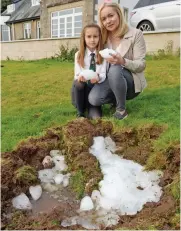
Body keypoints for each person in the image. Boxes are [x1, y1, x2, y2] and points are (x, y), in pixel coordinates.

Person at [88, 3, 147, 120]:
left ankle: (121, 110)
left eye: (111, 16)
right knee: (94, 99)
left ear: (119, 15)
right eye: (104, 19)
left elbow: (141, 65)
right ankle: (114, 100)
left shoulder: (136, 34)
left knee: (115, 67)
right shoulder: (102, 37)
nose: (108, 21)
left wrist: (123, 61)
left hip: (131, 81)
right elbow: (95, 59)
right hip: (109, 78)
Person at [72, 23, 107, 119]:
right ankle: (80, 112)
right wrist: (80, 77)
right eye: (89, 36)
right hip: (81, 90)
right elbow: (76, 75)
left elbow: (103, 74)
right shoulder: (78, 54)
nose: (92, 40)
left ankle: (92, 106)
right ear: (84, 38)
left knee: (96, 117)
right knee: (79, 83)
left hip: (94, 89)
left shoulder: (102, 54)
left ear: (99, 37)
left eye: (95, 36)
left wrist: (98, 78)